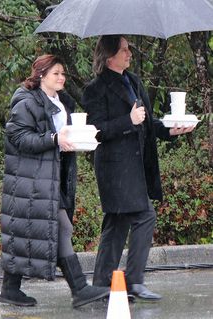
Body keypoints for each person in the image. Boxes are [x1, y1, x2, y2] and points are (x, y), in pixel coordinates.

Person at [81, 35, 195, 301]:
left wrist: (171, 129)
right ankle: (131, 282)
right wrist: (127, 120)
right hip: (115, 168)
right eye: (124, 49)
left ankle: (104, 285)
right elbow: (96, 130)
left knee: (118, 223)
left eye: (129, 48)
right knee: (143, 216)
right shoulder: (95, 89)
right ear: (110, 56)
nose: (129, 53)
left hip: (136, 166)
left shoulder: (133, 81)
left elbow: (147, 122)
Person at [0, 54, 109, 308]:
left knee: (26, 230)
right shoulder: (26, 102)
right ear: (41, 75)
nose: (61, 77)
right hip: (31, 179)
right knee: (60, 228)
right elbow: (18, 138)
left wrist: (80, 139)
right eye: (56, 73)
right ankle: (79, 288)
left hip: (51, 177)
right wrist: (53, 139)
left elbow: (63, 136)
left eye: (63, 73)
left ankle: (9, 289)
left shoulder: (60, 102)